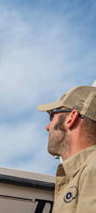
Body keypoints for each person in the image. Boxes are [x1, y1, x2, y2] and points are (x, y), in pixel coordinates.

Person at [37, 85, 96, 213]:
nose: (48, 126)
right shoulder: (81, 172)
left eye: (52, 116)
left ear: (71, 118)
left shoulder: (92, 169)